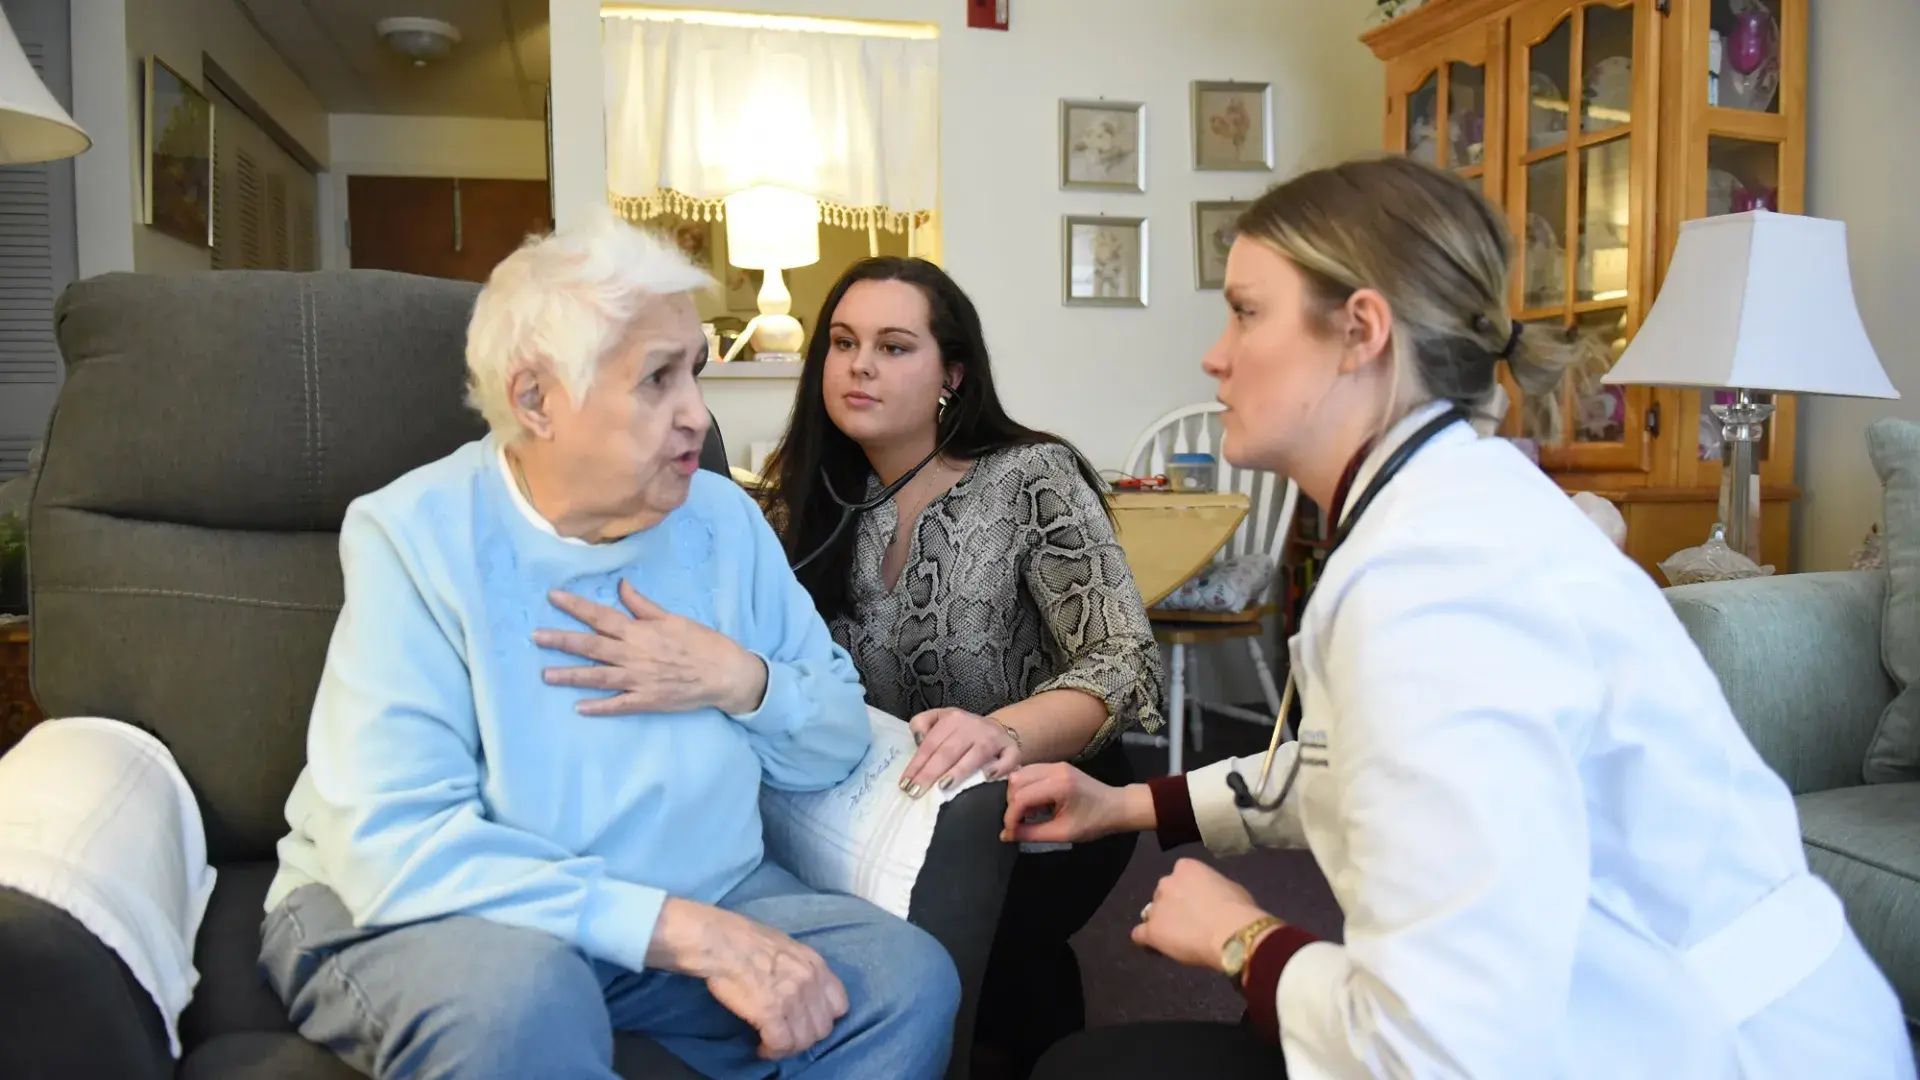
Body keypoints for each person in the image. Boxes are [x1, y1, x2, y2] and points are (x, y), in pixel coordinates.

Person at [1000, 157, 1914, 1079]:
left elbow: (1440, 1047)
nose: (1215, 353)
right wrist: (1128, 804)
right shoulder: (1448, 513)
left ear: (1360, 330)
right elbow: (1356, 770)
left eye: (1246, 311)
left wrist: (1242, 939)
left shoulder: (1434, 585)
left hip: (1704, 1046)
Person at [257, 215, 960, 1080]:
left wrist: (738, 679)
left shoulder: (724, 522)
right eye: (657, 379)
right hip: (450, 916)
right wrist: (680, 931)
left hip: (708, 892)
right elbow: (397, 844)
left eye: (693, 372)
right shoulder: (416, 535)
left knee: (906, 980)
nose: (697, 415)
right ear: (535, 401)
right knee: (521, 1004)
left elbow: (836, 743)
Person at [754, 256, 1167, 1076]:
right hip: (873, 799)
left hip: (1043, 797)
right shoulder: (798, 499)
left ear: (952, 373)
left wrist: (999, 732)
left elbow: (1126, 658)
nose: (860, 364)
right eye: (842, 342)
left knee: (990, 965)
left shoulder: (1031, 478)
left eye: (894, 346)